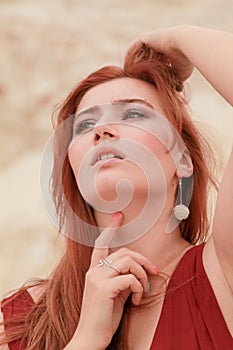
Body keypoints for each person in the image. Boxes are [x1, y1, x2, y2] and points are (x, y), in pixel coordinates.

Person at [0, 25, 232, 350]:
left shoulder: (221, 273)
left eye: (134, 113)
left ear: (183, 160)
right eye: (85, 125)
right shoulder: (19, 319)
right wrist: (88, 337)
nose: (103, 130)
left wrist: (174, 40)